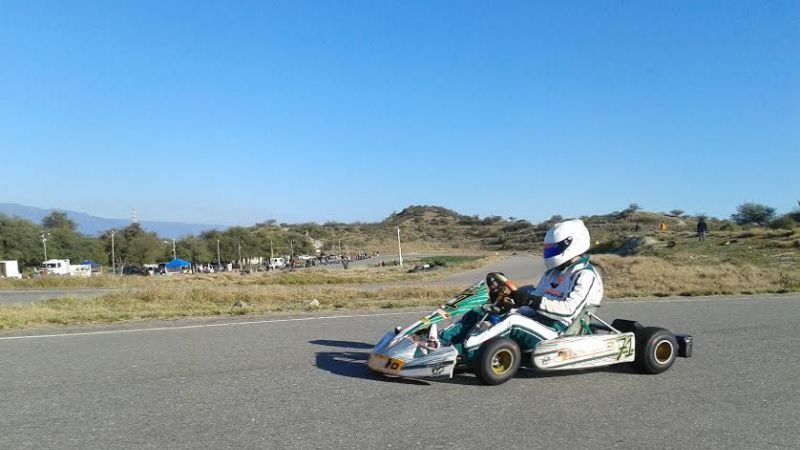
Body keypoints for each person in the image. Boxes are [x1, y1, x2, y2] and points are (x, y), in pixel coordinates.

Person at [441, 218, 603, 345]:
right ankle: (441, 340)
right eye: (549, 248)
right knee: (484, 311)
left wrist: (530, 301)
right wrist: (511, 305)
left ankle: (459, 350)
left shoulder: (585, 275)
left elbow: (568, 310)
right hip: (538, 321)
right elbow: (535, 299)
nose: (550, 252)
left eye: (554, 249)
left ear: (571, 244)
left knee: (513, 322)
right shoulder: (552, 273)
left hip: (559, 330)